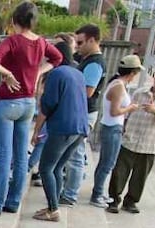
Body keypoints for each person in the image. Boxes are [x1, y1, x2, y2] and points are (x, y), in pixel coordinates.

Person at [0, 1, 62, 217]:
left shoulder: (13, 40)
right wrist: (40, 71)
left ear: (15, 21)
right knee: (22, 157)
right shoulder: (41, 42)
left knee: (4, 156)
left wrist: (7, 74)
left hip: (8, 103)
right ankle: (13, 202)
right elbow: (58, 57)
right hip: (28, 103)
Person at [107, 65, 155, 214]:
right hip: (130, 138)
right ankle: (113, 199)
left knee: (140, 175)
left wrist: (154, 110)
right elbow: (127, 112)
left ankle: (130, 201)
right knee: (120, 172)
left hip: (149, 143)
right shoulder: (140, 93)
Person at [32, 41, 88, 222]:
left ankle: (53, 209)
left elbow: (47, 106)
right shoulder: (78, 73)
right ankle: (52, 205)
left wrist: (36, 131)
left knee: (45, 168)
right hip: (79, 129)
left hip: (63, 128)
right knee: (57, 167)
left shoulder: (56, 74)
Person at [59, 23, 105, 206]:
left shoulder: (94, 63)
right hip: (80, 112)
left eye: (80, 42)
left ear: (92, 40)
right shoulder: (87, 59)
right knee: (72, 154)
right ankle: (68, 191)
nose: (77, 47)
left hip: (84, 114)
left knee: (76, 155)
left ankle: (70, 194)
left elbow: (87, 91)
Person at [89, 54, 142, 208]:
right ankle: (97, 194)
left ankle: (98, 192)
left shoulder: (117, 83)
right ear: (132, 72)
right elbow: (115, 111)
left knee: (105, 163)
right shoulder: (118, 86)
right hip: (112, 128)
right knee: (107, 163)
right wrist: (130, 108)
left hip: (111, 127)